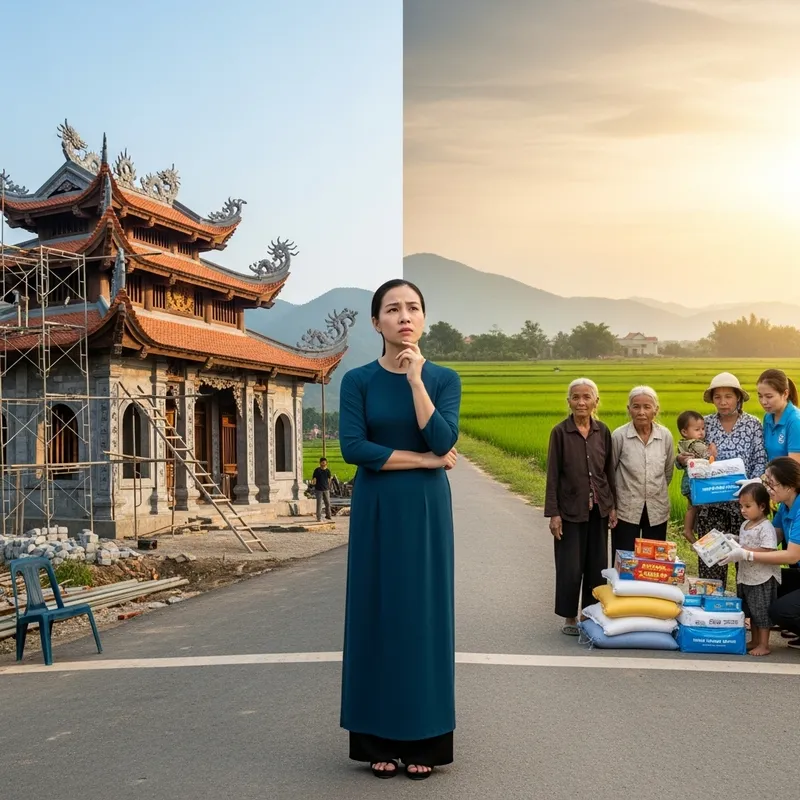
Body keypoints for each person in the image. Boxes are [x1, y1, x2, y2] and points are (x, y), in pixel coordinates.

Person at [338, 278, 461, 780]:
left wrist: (415, 380)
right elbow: (354, 449)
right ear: (376, 322)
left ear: (423, 319)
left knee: (423, 617)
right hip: (378, 510)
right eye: (392, 309)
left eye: (412, 308)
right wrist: (424, 460)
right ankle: (377, 740)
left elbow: (444, 436)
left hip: (428, 513)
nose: (403, 317)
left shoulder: (443, 378)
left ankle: (426, 739)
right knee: (377, 614)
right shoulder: (359, 381)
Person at [676, 372, 767, 587]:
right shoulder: (703, 424)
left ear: (738, 398)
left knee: (747, 565)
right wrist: (681, 459)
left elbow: (760, 460)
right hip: (710, 507)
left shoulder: (752, 425)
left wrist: (751, 491)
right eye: (718, 397)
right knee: (711, 564)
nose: (723, 402)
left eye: (728, 396)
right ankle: (712, 613)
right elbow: (685, 454)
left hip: (744, 507)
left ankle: (745, 614)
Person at [545, 378, 617, 637]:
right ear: (569, 402)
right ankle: (570, 616)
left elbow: (608, 471)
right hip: (569, 510)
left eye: (587, 397)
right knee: (570, 566)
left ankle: (590, 614)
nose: (581, 402)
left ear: (596, 401)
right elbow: (552, 475)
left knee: (596, 564)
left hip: (598, 509)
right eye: (575, 397)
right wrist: (554, 513)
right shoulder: (560, 432)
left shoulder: (603, 431)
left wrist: (612, 507)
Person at [721, 457, 800, 650]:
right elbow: (772, 538)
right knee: (763, 591)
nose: (768, 489)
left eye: (771, 485)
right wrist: (737, 541)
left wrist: (746, 555)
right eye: (766, 483)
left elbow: (792, 556)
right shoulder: (785, 506)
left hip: (795, 562)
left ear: (789, 486)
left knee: (779, 610)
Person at [610, 386, 674, 562]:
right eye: (636, 406)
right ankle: (621, 591)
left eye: (647, 407)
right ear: (629, 409)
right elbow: (610, 472)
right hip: (626, 510)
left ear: (656, 410)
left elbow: (667, 472)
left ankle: (648, 591)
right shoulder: (619, 436)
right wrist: (612, 507)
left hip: (657, 510)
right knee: (624, 561)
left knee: (653, 563)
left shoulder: (665, 436)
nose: (641, 412)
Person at [733, 482, 781, 656]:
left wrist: (744, 551)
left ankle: (764, 644)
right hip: (746, 575)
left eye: (747, 506)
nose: (743, 510)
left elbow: (768, 549)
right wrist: (733, 541)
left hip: (762, 577)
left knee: (761, 610)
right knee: (751, 609)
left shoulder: (766, 527)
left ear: (761, 506)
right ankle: (754, 640)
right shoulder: (745, 525)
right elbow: (744, 542)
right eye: (741, 506)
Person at [676, 410, 716, 543]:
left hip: (688, 482)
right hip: (694, 483)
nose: (702, 432)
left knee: (691, 507)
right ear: (684, 432)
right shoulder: (695, 444)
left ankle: (688, 530)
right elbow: (707, 458)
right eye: (697, 429)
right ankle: (688, 531)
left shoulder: (683, 442)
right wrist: (712, 453)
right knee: (694, 508)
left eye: (703, 429)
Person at [757, 369, 800, 463]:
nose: (763, 402)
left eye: (769, 397)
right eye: (760, 396)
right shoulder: (768, 417)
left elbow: (795, 467)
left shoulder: (795, 421)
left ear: (785, 394)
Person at [311, 456, 332, 521]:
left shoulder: (328, 471)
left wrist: (329, 486)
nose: (324, 464)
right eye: (322, 463)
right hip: (318, 489)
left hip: (326, 489)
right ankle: (319, 517)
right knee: (319, 504)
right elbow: (314, 479)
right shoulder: (317, 470)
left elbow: (329, 479)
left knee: (328, 503)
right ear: (320, 463)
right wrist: (313, 484)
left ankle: (328, 516)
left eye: (325, 463)